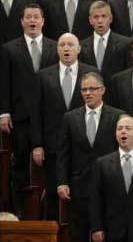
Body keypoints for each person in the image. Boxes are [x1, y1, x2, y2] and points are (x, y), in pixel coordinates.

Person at [31, 33, 98, 219]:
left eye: (70, 44)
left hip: (82, 145)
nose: (66, 48)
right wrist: (37, 144)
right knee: (53, 192)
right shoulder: (44, 75)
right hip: (53, 145)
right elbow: (36, 111)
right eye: (62, 45)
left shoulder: (91, 73)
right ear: (56, 49)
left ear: (79, 48)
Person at [0, 4, 57, 214]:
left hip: (49, 117)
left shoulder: (55, 47)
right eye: (28, 17)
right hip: (21, 117)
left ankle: (48, 215)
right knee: (20, 167)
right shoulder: (9, 48)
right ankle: (19, 215)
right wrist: (4, 112)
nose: (32, 21)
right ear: (21, 21)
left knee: (50, 166)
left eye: (36, 17)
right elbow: (4, 82)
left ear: (43, 21)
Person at [56, 72, 125, 242]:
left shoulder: (118, 116)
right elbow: (63, 153)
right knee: (78, 232)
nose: (87, 93)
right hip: (79, 185)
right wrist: (62, 181)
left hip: (109, 185)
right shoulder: (70, 118)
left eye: (92, 89)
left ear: (102, 90)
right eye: (84, 89)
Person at [89, 115, 133, 242]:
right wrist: (96, 227)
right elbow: (96, 198)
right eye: (119, 129)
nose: (123, 131)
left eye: (128, 128)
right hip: (112, 229)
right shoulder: (102, 163)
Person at [79, 0, 131, 84]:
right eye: (96, 17)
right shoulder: (81, 46)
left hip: (116, 93)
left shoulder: (125, 44)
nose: (100, 21)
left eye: (103, 16)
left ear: (110, 19)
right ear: (90, 20)